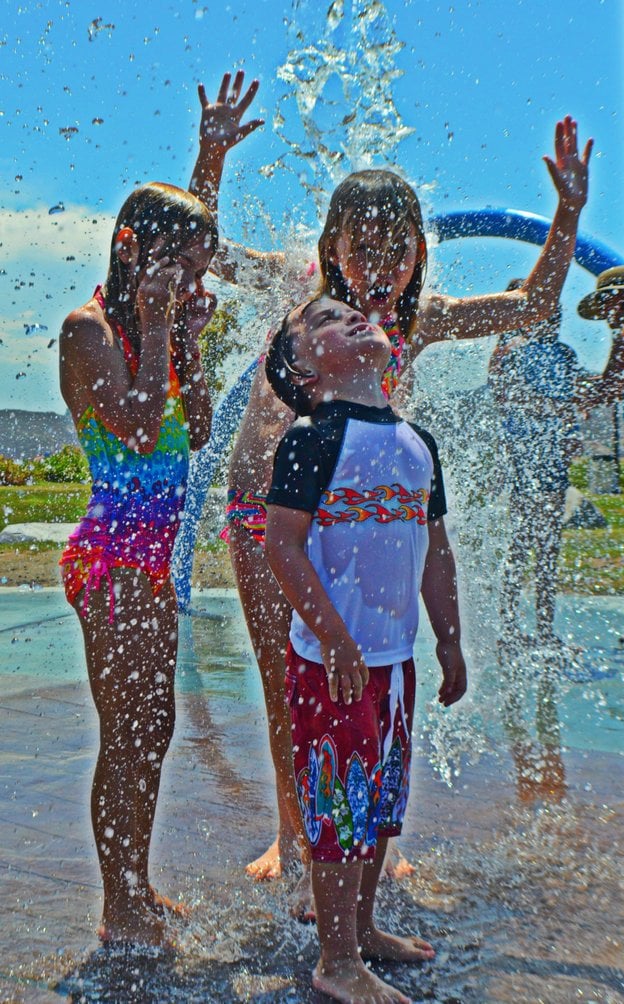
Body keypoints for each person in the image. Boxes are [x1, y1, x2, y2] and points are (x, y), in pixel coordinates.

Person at [189, 69, 592, 886]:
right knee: (286, 679)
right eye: (360, 247)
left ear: (419, 252)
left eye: (395, 249)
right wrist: (211, 159)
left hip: (362, 527)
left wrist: (570, 212)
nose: (378, 265)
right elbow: (204, 251)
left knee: (374, 676)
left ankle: (370, 837)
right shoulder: (294, 291)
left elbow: (531, 303)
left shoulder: (421, 319)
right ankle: (294, 836)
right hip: (270, 517)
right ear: (328, 248)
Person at [264, 295, 467, 1004]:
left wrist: (450, 639)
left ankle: (366, 927)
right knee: (339, 807)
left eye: (350, 311)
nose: (349, 317)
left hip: (393, 661)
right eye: (323, 320)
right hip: (333, 666)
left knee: (379, 802)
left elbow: (434, 551)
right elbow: (282, 547)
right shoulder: (312, 437)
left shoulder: (417, 443)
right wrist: (334, 638)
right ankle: (337, 959)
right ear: (302, 367)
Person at [59, 182, 218, 945]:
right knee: (125, 730)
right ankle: (117, 906)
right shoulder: (88, 332)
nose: (193, 286)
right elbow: (140, 426)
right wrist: (159, 327)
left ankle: (136, 885)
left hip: (150, 566)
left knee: (156, 724)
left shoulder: (157, 328)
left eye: (199, 271)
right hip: (114, 562)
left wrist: (184, 335)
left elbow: (205, 421)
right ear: (132, 253)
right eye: (181, 268)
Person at [489, 278, 624, 651]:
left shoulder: (565, 354)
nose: (553, 314)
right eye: (545, 307)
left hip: (553, 457)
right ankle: (508, 628)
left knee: (549, 547)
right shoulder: (508, 350)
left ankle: (544, 630)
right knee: (522, 544)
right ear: (521, 312)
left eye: (555, 308)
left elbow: (578, 396)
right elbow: (507, 397)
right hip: (524, 457)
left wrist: (571, 425)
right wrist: (560, 408)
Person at [577, 266, 624, 479]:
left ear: (619, 296)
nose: (602, 312)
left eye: (603, 302)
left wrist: (585, 397)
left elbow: (612, 386)